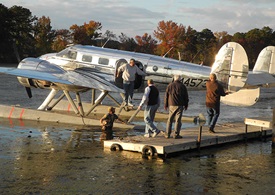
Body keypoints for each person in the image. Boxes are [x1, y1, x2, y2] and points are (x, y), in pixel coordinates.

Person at [164, 75, 189, 139]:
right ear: (180, 79)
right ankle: (176, 134)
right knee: (178, 120)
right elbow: (186, 96)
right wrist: (186, 104)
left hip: (171, 104)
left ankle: (167, 134)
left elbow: (166, 96)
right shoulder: (182, 86)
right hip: (180, 104)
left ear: (174, 79)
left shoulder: (170, 85)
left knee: (170, 120)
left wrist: (165, 104)